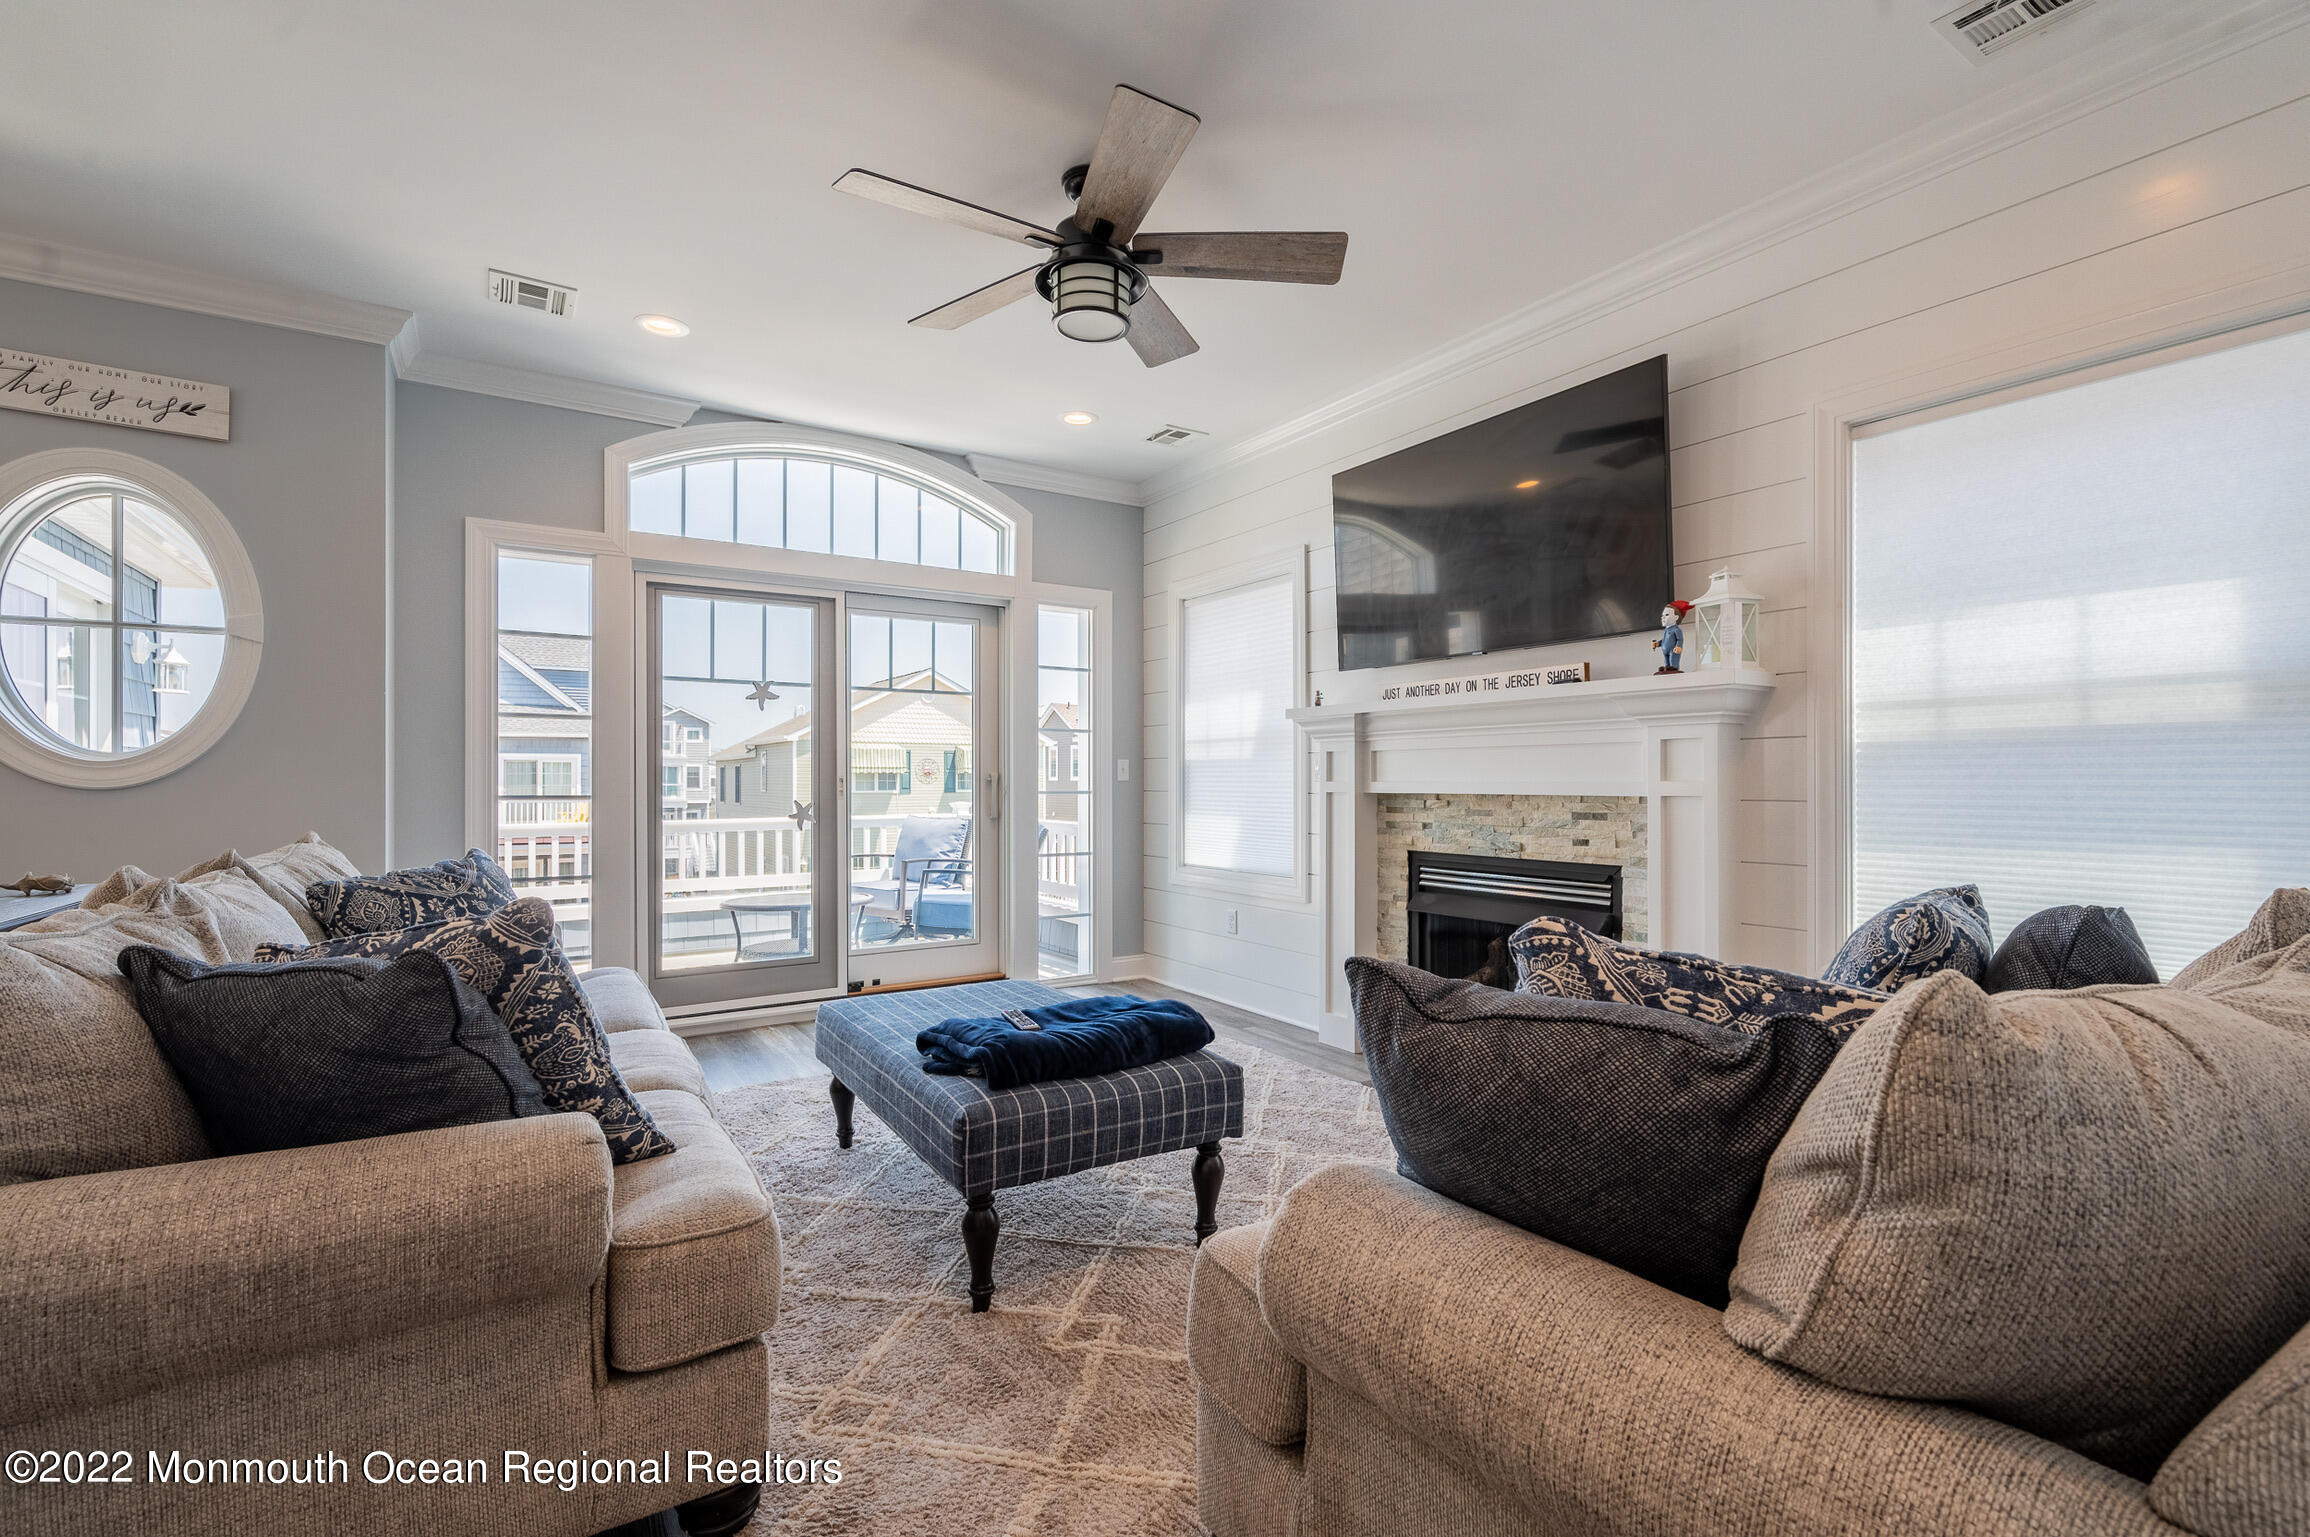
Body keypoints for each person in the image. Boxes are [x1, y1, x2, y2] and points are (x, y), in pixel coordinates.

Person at [1653, 600, 1691, 674]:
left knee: (1673, 660)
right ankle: (1667, 668)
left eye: (1666, 615)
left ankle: (1674, 668)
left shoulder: (1676, 630)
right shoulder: (1666, 630)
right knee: (1666, 662)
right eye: (1662, 615)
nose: (1663, 618)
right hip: (1665, 651)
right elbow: (1664, 640)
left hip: (1673, 650)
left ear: (1676, 617)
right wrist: (1658, 643)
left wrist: (1679, 646)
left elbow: (1680, 639)